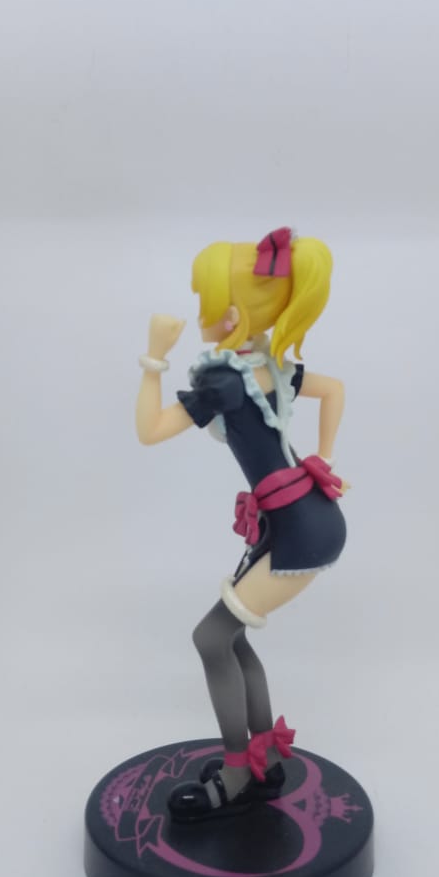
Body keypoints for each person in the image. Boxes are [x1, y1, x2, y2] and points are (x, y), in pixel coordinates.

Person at [135, 228, 349, 823]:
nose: (198, 313)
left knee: (211, 638)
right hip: (301, 516)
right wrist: (323, 460)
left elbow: (150, 431)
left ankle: (235, 774)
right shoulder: (268, 364)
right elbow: (334, 390)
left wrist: (154, 358)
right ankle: (265, 763)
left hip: (298, 527)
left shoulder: (226, 381)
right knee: (232, 637)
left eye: (204, 301)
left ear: (231, 315)